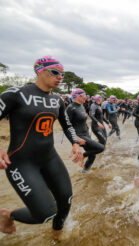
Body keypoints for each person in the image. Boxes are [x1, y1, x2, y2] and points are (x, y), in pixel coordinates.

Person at [0, 56, 83, 238]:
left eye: (62, 73)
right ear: (40, 71)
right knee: (45, 213)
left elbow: (67, 125)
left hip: (49, 158)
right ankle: (7, 214)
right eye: (55, 72)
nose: (60, 77)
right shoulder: (16, 94)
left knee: (66, 201)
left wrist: (75, 144)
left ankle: (56, 236)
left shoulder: (58, 100)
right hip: (22, 162)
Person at [66, 89, 105, 173]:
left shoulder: (82, 106)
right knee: (101, 148)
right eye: (84, 96)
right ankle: (83, 156)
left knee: (92, 156)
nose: (86, 98)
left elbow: (84, 121)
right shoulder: (70, 108)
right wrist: (75, 139)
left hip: (85, 133)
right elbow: (66, 126)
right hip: (79, 135)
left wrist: (87, 129)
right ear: (78, 96)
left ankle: (84, 173)